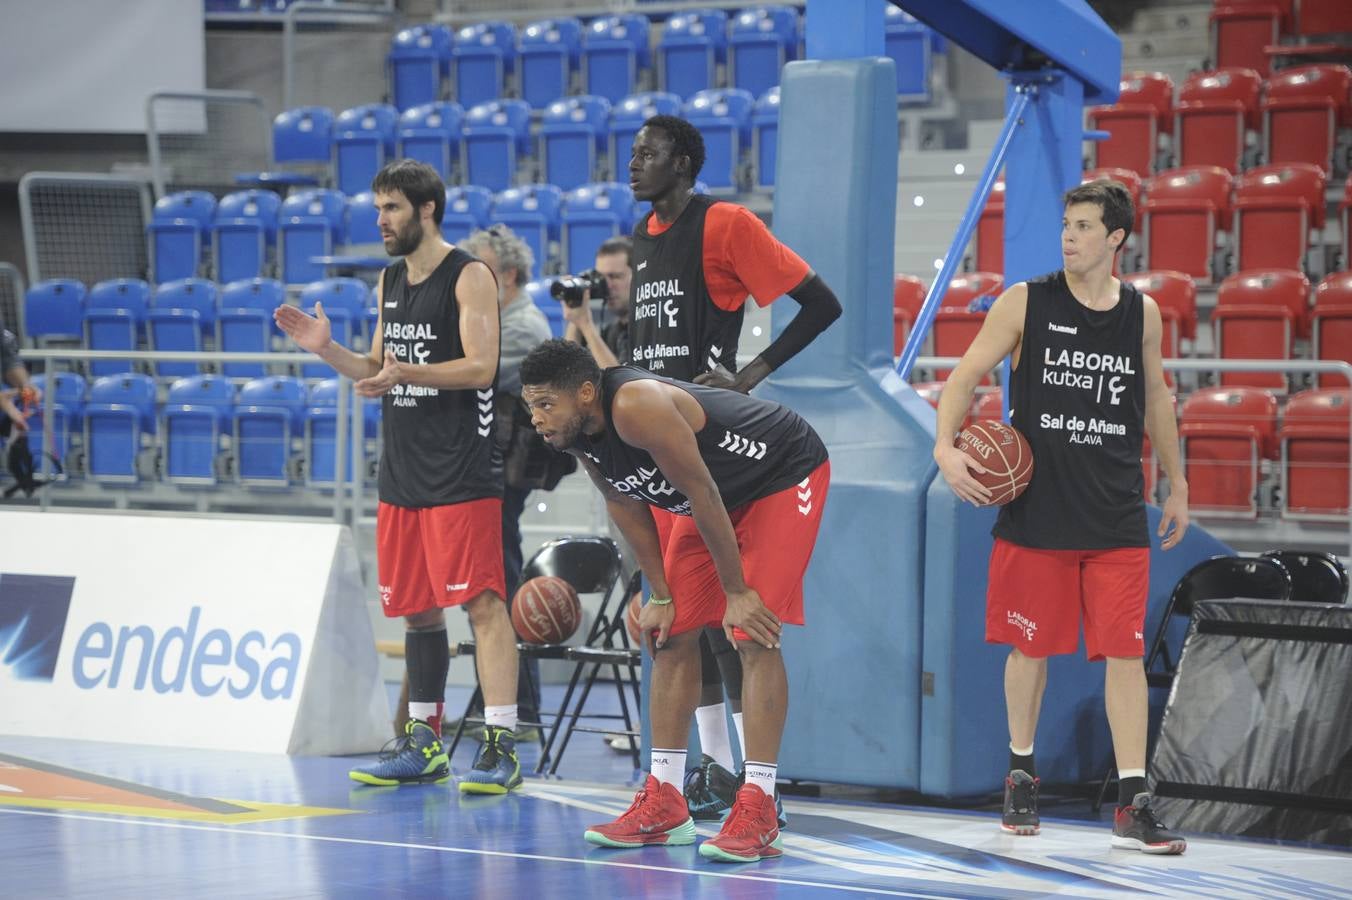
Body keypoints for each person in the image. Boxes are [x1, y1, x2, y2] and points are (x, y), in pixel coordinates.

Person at [933, 180, 1189, 854]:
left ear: (1116, 238)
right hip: (1038, 512)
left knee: (1125, 655)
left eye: (1083, 227)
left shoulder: (1142, 313)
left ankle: (1133, 802)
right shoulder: (1026, 301)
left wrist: (1178, 483)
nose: (1069, 237)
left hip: (1115, 513)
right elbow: (964, 376)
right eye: (1067, 224)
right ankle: (1021, 775)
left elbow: (1157, 400)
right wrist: (944, 448)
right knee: (1031, 649)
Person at [519, 339, 830, 863]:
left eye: (546, 404)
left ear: (587, 392)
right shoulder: (577, 434)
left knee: (751, 631)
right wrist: (660, 593)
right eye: (531, 406)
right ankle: (664, 800)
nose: (536, 418)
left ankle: (760, 804)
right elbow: (622, 500)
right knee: (670, 632)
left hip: (781, 473)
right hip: (710, 496)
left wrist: (736, 591)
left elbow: (704, 492)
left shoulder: (635, 406)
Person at [613, 113, 843, 821]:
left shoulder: (725, 224)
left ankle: (755, 784)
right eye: (632, 152)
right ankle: (707, 769)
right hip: (660, 448)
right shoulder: (641, 238)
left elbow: (821, 304)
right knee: (685, 621)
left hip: (719, 445)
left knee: (739, 624)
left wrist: (749, 376)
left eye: (648, 152)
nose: (633, 163)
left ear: (683, 162)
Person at [276, 159, 523, 794]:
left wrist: (405, 372)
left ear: (426, 209)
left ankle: (500, 745)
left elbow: (481, 366)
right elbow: (376, 368)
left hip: (462, 469)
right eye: (378, 208)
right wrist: (328, 350)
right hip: (403, 470)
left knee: (483, 605)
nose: (380, 220)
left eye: (391, 208)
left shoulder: (468, 275)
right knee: (416, 611)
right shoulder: (390, 278)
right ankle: (424, 742)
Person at [562, 235, 634, 370]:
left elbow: (623, 381)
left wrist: (586, 325)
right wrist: (575, 317)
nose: (606, 286)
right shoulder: (613, 331)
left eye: (615, 277)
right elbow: (567, 372)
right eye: (600, 277)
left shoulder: (648, 331)